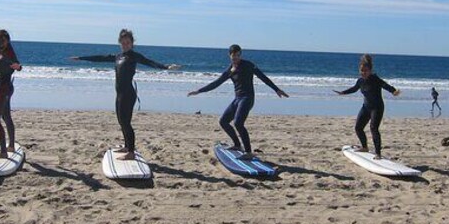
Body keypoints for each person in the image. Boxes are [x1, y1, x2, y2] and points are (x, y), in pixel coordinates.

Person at [71, 29, 180, 160]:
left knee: (126, 122)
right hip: (119, 94)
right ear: (119, 43)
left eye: (128, 42)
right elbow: (100, 58)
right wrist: (81, 58)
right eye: (123, 43)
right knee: (121, 122)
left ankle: (131, 152)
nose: (125, 45)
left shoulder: (134, 56)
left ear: (132, 43)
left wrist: (165, 67)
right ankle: (127, 147)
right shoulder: (118, 57)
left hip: (128, 94)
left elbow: (149, 62)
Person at [188, 44, 288, 157]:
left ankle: (248, 152)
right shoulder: (230, 70)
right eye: (234, 55)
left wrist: (276, 89)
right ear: (229, 55)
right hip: (237, 99)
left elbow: (263, 77)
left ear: (240, 55)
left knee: (238, 123)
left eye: (238, 55)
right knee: (223, 121)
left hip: (247, 98)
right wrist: (199, 91)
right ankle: (237, 145)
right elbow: (216, 83)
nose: (236, 58)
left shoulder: (248, 65)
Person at [335, 54, 400, 158]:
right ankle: (365, 147)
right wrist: (343, 92)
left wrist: (393, 91)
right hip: (366, 107)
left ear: (370, 70)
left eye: (365, 71)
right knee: (358, 128)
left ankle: (378, 153)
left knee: (373, 128)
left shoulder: (375, 79)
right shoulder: (360, 81)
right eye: (362, 71)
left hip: (377, 107)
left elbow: (384, 85)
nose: (363, 73)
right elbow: (354, 88)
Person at [0, 30, 22, 159]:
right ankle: (11, 146)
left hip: (3, 89)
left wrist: (18, 67)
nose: (0, 43)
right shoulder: (2, 51)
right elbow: (0, 61)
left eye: (2, 40)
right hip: (5, 88)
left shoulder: (8, 52)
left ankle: (3, 152)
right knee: (6, 116)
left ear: (7, 40)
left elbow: (18, 65)